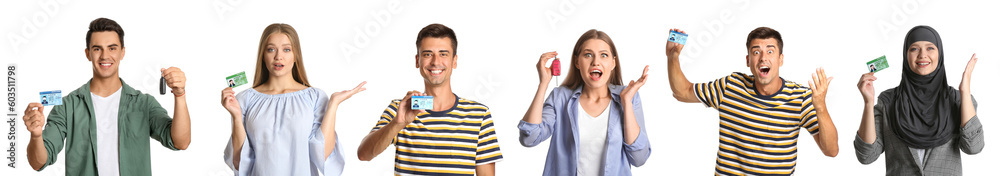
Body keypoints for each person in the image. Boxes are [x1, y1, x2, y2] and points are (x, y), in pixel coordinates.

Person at [22, 17, 192, 176]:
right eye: (97, 49)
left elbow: (180, 142)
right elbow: (38, 162)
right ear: (88, 53)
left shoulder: (144, 103)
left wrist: (180, 95)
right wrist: (36, 135)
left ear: (122, 52)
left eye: (112, 48)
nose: (104, 56)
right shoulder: (67, 106)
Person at [665, 27, 839, 175]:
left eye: (770, 51)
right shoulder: (730, 86)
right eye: (756, 52)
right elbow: (682, 92)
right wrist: (673, 57)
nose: (763, 57)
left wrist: (821, 107)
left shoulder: (800, 97)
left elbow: (831, 150)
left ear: (780, 59)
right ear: (748, 60)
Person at [357, 23, 503, 176]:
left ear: (454, 61)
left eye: (443, 54)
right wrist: (397, 124)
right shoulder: (400, 108)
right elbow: (364, 155)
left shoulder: (479, 115)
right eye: (427, 54)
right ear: (417, 61)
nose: (435, 62)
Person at [221, 23, 362, 176]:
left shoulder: (315, 97)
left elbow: (323, 154)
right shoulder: (245, 99)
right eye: (271, 49)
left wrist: (333, 104)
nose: (278, 57)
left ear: (296, 56)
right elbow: (239, 162)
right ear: (263, 55)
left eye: (286, 49)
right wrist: (235, 115)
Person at [518, 29, 652, 176]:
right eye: (588, 55)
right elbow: (529, 138)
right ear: (577, 62)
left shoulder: (629, 97)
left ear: (613, 63)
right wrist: (543, 84)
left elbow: (639, 158)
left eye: (604, 55)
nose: (596, 62)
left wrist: (626, 102)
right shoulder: (560, 97)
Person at [854, 25, 984, 175]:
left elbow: (974, 147)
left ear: (940, 54)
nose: (922, 55)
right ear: (905, 55)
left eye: (930, 48)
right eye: (914, 49)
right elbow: (866, 156)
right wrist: (868, 103)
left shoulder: (958, 100)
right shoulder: (888, 101)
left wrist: (965, 92)